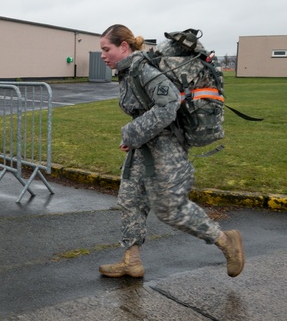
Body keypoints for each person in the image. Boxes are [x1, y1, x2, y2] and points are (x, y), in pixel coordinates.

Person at [96, 24, 244, 279]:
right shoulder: (128, 71)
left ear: (123, 47)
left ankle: (225, 241)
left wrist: (132, 133)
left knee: (170, 209)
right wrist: (135, 138)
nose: (102, 55)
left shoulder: (143, 69)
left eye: (105, 49)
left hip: (167, 149)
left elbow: (169, 105)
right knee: (131, 200)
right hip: (144, 148)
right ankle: (131, 261)